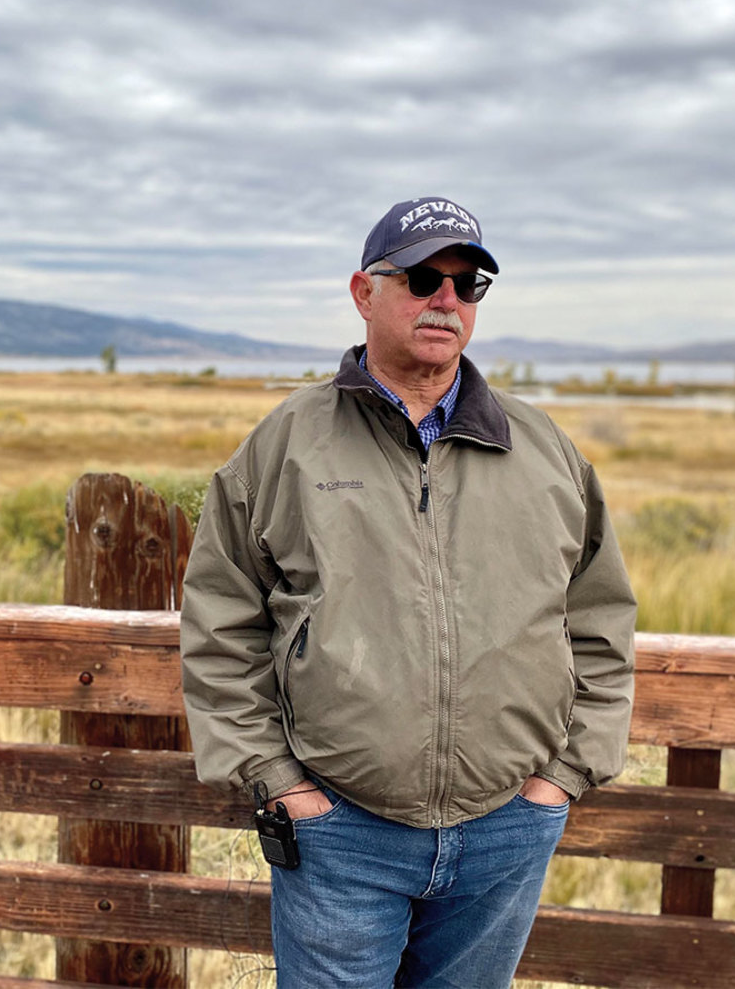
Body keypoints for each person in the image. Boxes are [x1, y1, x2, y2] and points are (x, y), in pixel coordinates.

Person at [180, 196, 636, 988]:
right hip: (339, 829)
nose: (447, 300)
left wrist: (559, 778)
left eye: (469, 284)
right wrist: (281, 781)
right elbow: (221, 619)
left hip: (506, 829)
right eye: (424, 277)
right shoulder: (287, 443)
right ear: (364, 292)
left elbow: (599, 616)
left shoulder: (545, 451)